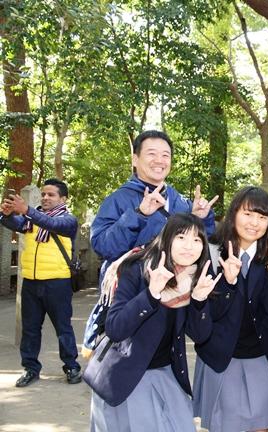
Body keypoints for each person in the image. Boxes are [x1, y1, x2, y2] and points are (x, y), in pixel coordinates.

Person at [86, 130, 217, 351]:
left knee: (167, 355)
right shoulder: (118, 200)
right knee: (129, 359)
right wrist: (139, 214)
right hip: (132, 300)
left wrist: (201, 219)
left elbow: (200, 247)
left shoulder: (179, 201)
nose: (159, 160)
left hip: (173, 300)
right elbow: (103, 246)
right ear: (135, 159)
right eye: (151, 153)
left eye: (165, 155)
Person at [87, 213, 219, 432]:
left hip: (167, 371)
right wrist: (151, 294)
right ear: (167, 238)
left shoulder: (194, 277)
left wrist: (198, 301)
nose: (189, 246)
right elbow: (116, 328)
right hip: (127, 374)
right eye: (181, 237)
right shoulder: (137, 269)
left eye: (197, 240)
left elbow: (200, 335)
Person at [192, 187, 268, 432]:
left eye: (262, 217)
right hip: (221, 355)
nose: (254, 223)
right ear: (234, 213)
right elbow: (209, 312)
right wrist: (228, 282)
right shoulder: (212, 251)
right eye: (248, 214)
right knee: (225, 425)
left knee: (261, 426)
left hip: (259, 353)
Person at [0, 179, 82, 387]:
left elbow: (52, 225)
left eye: (51, 195)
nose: (45, 198)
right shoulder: (32, 220)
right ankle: (30, 369)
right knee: (30, 329)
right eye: (43, 194)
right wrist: (6, 214)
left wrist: (26, 210)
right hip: (31, 282)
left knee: (63, 327)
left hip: (58, 283)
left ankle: (71, 366)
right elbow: (15, 223)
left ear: (63, 199)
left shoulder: (68, 220)